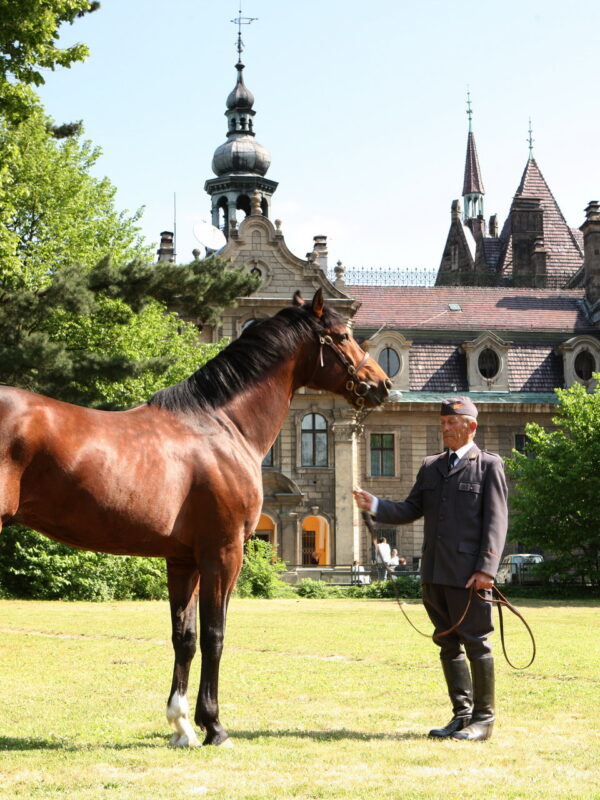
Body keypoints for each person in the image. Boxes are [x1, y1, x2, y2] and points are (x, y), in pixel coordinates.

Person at [353, 396, 508, 741]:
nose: (446, 427)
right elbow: (411, 509)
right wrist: (375, 503)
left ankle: (483, 720)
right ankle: (462, 715)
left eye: (452, 423)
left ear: (471, 426)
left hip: (469, 575)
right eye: (443, 423)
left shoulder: (488, 466)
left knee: (476, 643)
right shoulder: (431, 466)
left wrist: (487, 569)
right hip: (434, 573)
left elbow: (496, 522)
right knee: (447, 643)